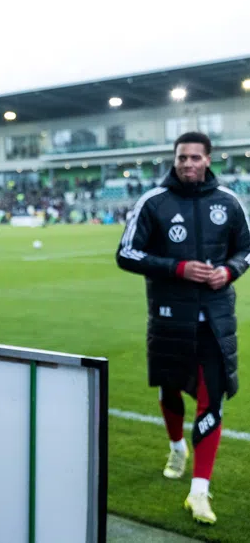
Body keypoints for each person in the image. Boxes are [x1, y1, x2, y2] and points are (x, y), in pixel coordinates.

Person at [116, 131, 250, 525]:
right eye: (181, 158)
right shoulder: (153, 202)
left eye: (195, 157)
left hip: (215, 319)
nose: (188, 164)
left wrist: (229, 271)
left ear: (208, 159)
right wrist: (177, 268)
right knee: (169, 388)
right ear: (174, 160)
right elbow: (126, 253)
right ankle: (177, 446)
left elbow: (247, 248)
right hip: (169, 317)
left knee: (212, 399)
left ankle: (199, 491)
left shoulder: (228, 202)